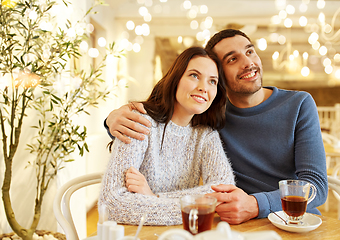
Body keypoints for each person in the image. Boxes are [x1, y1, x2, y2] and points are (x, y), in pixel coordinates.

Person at [104, 29, 328, 224]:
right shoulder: (211, 117)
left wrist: (255, 204)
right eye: (232, 59)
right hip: (234, 221)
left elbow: (315, 186)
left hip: (293, 219)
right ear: (222, 80)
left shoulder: (299, 104)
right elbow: (115, 197)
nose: (248, 62)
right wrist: (111, 120)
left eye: (250, 51)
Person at [99, 46, 235, 226]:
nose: (203, 87)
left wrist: (153, 196)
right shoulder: (139, 122)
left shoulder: (206, 135)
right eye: (194, 75)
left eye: (212, 81)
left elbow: (224, 191)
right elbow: (111, 203)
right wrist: (195, 208)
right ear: (176, 79)